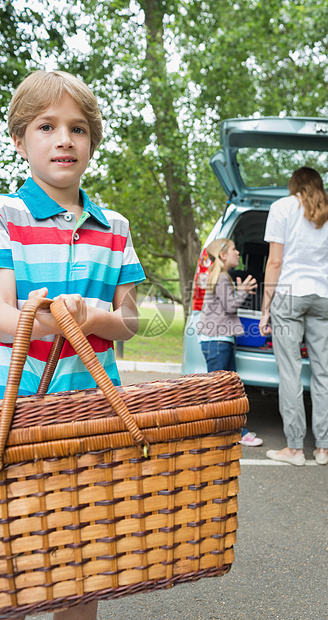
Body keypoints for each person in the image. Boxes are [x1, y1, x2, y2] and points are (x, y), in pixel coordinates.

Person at [0, 70, 146, 619]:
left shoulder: (116, 227)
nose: (64, 139)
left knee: (83, 556)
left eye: (78, 129)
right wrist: (57, 321)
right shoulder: (6, 216)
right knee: (15, 546)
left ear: (91, 142)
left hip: (91, 410)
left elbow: (128, 321)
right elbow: (2, 315)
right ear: (19, 139)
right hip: (15, 412)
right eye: (47, 126)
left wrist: (93, 315)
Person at [259, 167, 328, 466]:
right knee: (324, 371)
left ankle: (294, 449)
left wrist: (266, 308)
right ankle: (323, 448)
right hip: (322, 294)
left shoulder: (281, 207)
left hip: (290, 294)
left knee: (290, 371)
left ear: (294, 184)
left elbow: (275, 261)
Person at [197, 238, 263, 447]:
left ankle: (235, 431)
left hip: (218, 340)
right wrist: (242, 291)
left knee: (229, 389)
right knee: (221, 391)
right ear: (223, 255)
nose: (238, 253)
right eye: (234, 249)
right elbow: (229, 307)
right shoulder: (223, 279)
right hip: (217, 341)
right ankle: (216, 433)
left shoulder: (221, 278)